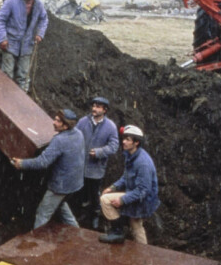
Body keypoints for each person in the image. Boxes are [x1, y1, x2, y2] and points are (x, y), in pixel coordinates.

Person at [11, 109, 85, 229]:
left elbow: (43, 162)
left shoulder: (59, 140)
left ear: (65, 126)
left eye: (58, 121)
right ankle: (77, 232)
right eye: (55, 119)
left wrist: (22, 164)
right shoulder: (78, 133)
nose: (53, 122)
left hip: (61, 185)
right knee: (61, 205)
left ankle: (39, 243)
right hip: (75, 183)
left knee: (42, 214)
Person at [99, 125, 159, 245]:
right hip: (135, 193)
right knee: (136, 225)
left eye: (127, 139)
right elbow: (126, 177)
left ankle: (118, 232)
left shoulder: (142, 163)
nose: (124, 142)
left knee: (106, 201)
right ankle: (142, 251)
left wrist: (123, 200)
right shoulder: (131, 155)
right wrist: (113, 187)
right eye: (124, 138)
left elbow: (143, 190)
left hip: (143, 200)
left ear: (136, 142)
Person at [71, 96, 119, 229]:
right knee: (80, 192)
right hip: (80, 166)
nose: (94, 109)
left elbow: (114, 146)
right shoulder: (82, 122)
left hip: (96, 169)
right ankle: (81, 213)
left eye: (98, 107)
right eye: (93, 106)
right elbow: (74, 137)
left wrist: (99, 152)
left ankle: (96, 215)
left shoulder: (110, 127)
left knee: (94, 192)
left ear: (105, 110)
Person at [0, 0, 48, 92]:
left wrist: (40, 34)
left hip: (27, 44)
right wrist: (2, 38)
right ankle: (5, 98)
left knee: (24, 75)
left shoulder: (38, 5)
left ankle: (22, 102)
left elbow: (44, 19)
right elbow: (0, 20)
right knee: (7, 74)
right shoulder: (11, 0)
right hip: (10, 41)